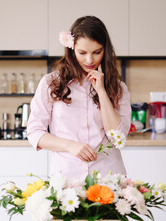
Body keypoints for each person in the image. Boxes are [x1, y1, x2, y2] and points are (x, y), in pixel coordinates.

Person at [27, 16, 131, 179]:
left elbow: (118, 137)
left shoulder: (118, 88)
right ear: (71, 49)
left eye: (97, 52)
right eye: (82, 53)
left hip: (109, 177)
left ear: (105, 50)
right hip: (66, 179)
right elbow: (34, 132)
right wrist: (69, 145)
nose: (89, 60)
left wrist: (102, 92)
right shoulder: (51, 83)